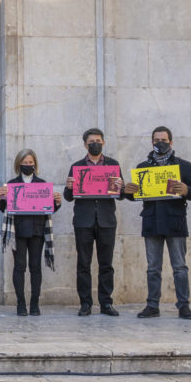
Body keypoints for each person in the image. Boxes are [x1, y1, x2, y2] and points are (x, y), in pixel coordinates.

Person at [122, 126, 191, 320]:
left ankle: (184, 305)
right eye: (156, 140)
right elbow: (136, 196)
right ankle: (152, 305)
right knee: (152, 267)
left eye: (164, 140)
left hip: (175, 222)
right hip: (152, 222)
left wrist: (186, 191)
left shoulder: (184, 166)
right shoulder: (142, 167)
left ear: (171, 142)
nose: (160, 143)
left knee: (180, 267)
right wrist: (128, 192)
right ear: (152, 142)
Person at [63, 128, 128, 316]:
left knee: (106, 264)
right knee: (83, 264)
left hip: (106, 221)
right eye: (91, 141)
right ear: (85, 145)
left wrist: (121, 187)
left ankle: (106, 303)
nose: (95, 143)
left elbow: (121, 195)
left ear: (104, 143)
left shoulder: (113, 165)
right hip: (83, 222)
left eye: (98, 140)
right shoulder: (77, 167)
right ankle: (85, 303)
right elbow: (68, 197)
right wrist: (68, 187)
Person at [0, 149, 62, 316]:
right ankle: (21, 303)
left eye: (30, 163)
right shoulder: (11, 184)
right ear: (19, 164)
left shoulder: (42, 184)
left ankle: (34, 303)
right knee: (19, 266)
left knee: (35, 267)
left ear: (35, 164)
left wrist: (57, 202)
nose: (28, 165)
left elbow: (49, 209)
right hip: (17, 230)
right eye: (25, 163)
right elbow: (4, 208)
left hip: (37, 230)